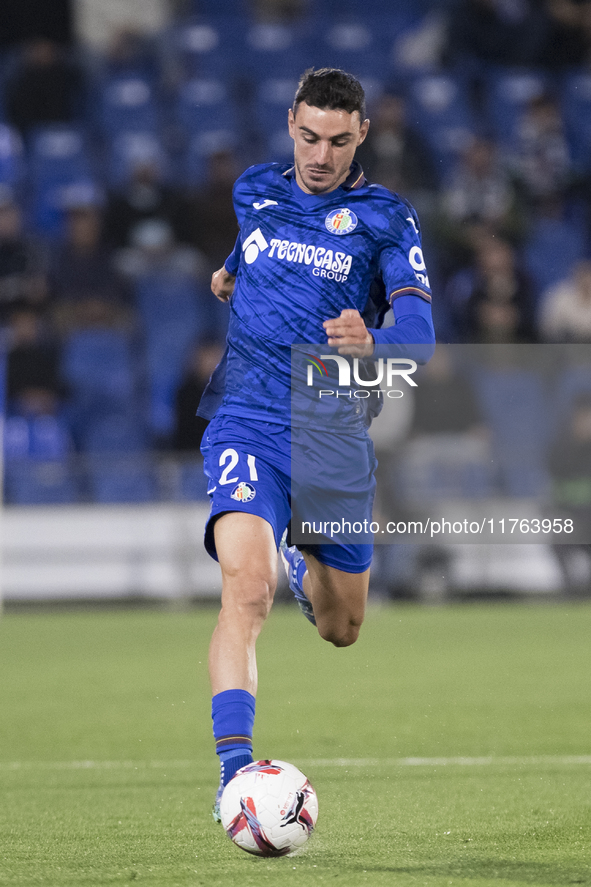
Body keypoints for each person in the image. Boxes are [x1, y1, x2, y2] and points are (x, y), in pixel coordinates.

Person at [197, 68, 435, 820]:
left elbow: (421, 340)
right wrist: (230, 272)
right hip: (247, 417)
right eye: (308, 136)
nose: (320, 155)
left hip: (330, 428)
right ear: (289, 123)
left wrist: (376, 338)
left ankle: (308, 562)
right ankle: (237, 775)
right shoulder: (255, 187)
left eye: (337, 140)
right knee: (245, 585)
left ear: (361, 134)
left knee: (342, 628)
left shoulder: (386, 219)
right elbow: (250, 246)